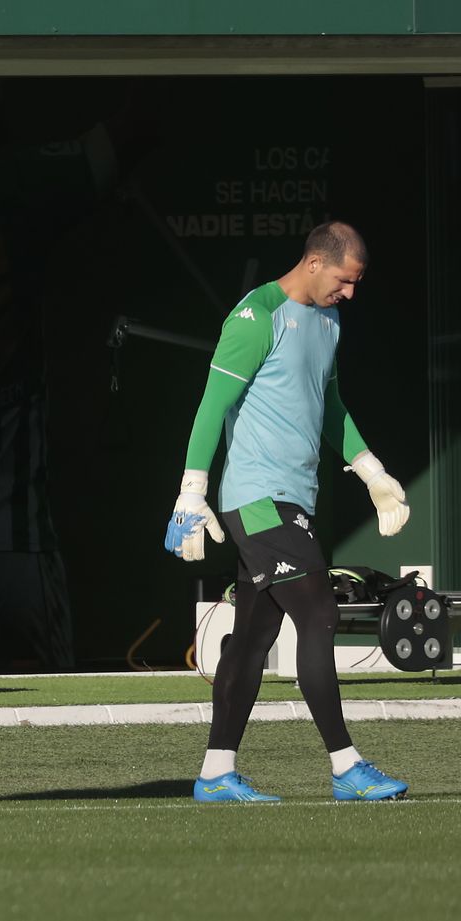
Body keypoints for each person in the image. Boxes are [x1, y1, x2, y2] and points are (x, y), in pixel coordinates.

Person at [166, 221, 409, 803]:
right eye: (345, 281)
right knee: (319, 612)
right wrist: (190, 495)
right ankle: (347, 767)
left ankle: (216, 773)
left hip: (293, 498)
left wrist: (372, 473)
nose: (350, 293)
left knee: (252, 640)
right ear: (315, 263)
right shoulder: (255, 317)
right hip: (256, 500)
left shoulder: (329, 320)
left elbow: (328, 406)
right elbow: (211, 406)